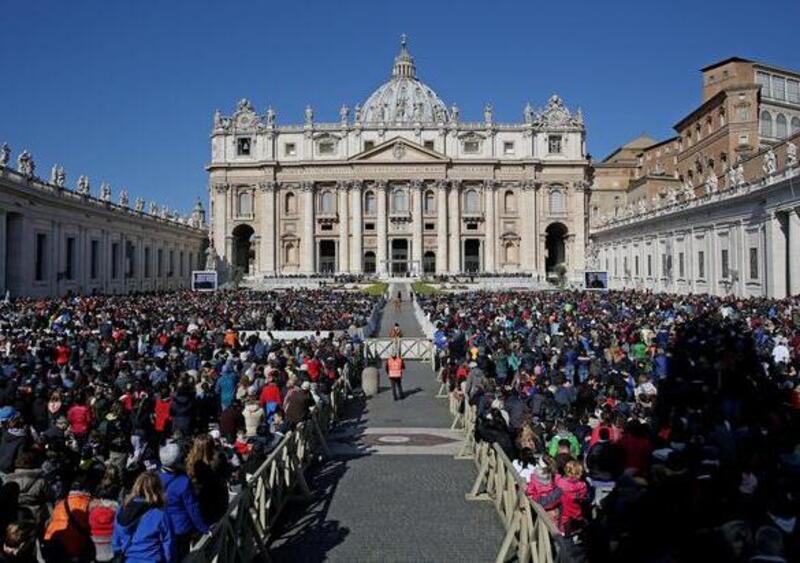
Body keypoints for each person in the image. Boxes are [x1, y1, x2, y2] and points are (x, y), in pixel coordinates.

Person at [158, 441, 209, 560]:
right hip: (180, 528)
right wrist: (204, 528)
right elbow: (193, 508)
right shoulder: (183, 482)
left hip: (162, 525)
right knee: (182, 557)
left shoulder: (155, 478)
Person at [111, 471, 173, 563]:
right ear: (158, 489)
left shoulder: (122, 509)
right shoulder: (160, 514)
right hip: (152, 559)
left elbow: (116, 540)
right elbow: (168, 545)